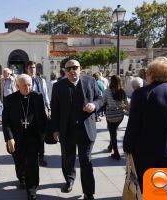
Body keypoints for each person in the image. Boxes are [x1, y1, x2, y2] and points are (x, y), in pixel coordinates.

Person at [123, 57, 167, 192]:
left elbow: (133, 125)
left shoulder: (141, 94)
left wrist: (127, 147)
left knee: (153, 191)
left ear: (150, 74)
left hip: (149, 153)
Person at [51, 60, 103, 200]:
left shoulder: (90, 81)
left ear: (80, 69)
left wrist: (94, 105)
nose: (72, 71)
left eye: (75, 68)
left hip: (86, 130)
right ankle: (69, 179)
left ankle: (88, 192)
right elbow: (55, 109)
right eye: (68, 69)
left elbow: (100, 98)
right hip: (67, 130)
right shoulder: (58, 86)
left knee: (86, 160)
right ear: (65, 71)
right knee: (68, 158)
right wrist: (55, 129)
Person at [2, 74, 47, 200]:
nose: (27, 88)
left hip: (33, 137)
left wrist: (45, 134)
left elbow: (42, 117)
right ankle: (21, 178)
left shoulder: (37, 96)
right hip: (17, 137)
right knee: (19, 162)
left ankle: (32, 189)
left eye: (29, 85)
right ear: (17, 86)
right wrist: (9, 138)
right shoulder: (10, 99)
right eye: (24, 86)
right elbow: (6, 121)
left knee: (32, 163)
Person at [26, 61, 50, 167]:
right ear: (27, 68)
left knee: (41, 135)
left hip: (40, 110)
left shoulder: (41, 80)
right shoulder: (24, 80)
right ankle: (31, 155)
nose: (33, 69)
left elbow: (45, 94)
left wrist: (48, 107)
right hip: (27, 111)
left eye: (34, 67)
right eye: (30, 67)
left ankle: (41, 156)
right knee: (29, 134)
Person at [104, 75, 128, 160]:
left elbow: (104, 101)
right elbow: (126, 104)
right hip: (120, 115)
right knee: (113, 131)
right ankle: (110, 146)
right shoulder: (122, 91)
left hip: (110, 115)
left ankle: (116, 153)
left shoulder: (107, 91)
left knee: (113, 133)